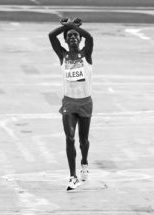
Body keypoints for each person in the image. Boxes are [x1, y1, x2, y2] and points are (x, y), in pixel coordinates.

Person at [48, 18, 94, 191]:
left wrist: (73, 27)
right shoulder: (63, 56)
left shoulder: (86, 55)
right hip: (69, 102)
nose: (73, 37)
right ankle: (73, 177)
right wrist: (67, 26)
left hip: (85, 102)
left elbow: (89, 38)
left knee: (83, 140)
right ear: (66, 41)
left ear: (79, 40)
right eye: (69, 36)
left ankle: (84, 162)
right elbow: (51, 36)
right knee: (70, 138)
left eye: (76, 35)